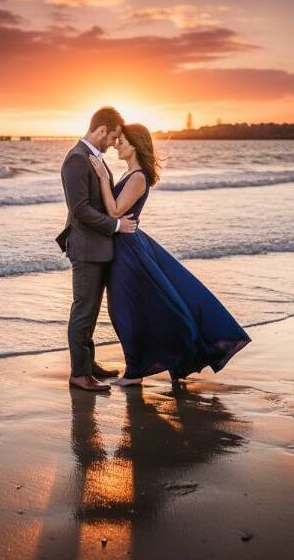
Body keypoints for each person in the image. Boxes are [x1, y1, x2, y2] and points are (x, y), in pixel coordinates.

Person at [86, 123, 251, 386]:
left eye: (122, 141)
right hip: (124, 246)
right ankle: (137, 369)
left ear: (135, 146)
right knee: (129, 309)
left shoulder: (138, 177)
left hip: (129, 251)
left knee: (126, 310)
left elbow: (115, 211)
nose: (117, 145)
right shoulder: (130, 174)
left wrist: (104, 180)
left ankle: (135, 373)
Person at [56, 107, 138, 391]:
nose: (114, 143)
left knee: (91, 310)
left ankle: (88, 363)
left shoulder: (94, 158)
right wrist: (116, 226)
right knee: (83, 310)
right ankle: (79, 374)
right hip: (85, 248)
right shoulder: (76, 160)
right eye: (113, 137)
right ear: (102, 130)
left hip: (98, 247)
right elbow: (79, 210)